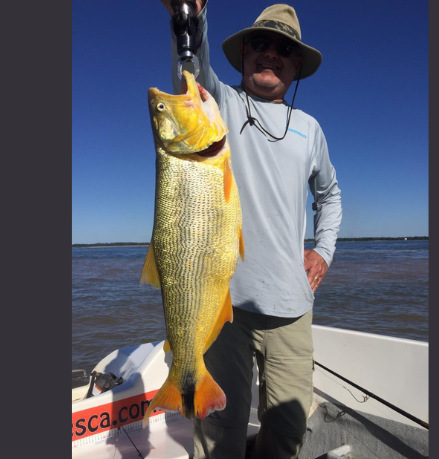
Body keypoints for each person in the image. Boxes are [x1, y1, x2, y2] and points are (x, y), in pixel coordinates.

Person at [158, 2, 342, 458]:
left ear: (296, 66)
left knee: (287, 429)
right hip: (225, 309)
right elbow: (193, 68)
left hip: (292, 307)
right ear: (243, 54)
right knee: (220, 432)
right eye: (260, 43)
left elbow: (330, 195)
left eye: (284, 48)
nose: (270, 54)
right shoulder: (219, 105)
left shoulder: (309, 129)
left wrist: (323, 250)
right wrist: (190, 18)